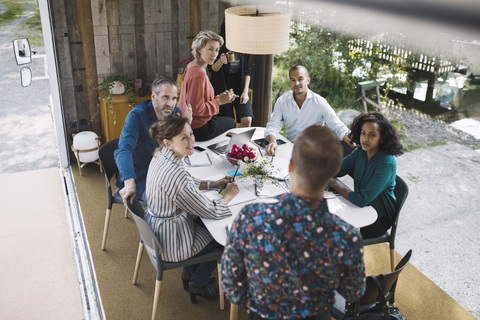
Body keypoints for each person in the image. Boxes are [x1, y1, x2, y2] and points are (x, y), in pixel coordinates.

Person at [221, 125, 366, 320]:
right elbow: (353, 292)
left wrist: (257, 305)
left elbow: (230, 283)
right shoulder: (347, 236)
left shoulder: (250, 217)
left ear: (291, 166)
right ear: (333, 172)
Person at [145, 114, 239, 302]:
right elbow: (210, 210)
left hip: (158, 228)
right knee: (222, 239)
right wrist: (229, 194)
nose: (191, 141)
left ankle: (190, 272)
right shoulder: (174, 173)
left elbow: (187, 181)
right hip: (171, 240)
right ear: (168, 142)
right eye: (184, 138)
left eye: (191, 134)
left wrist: (214, 183)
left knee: (205, 225)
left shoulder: (162, 154)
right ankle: (199, 281)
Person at [114, 76, 192, 205]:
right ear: (153, 96)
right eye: (165, 97)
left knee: (193, 192)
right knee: (178, 202)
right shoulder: (136, 115)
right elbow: (123, 149)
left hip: (165, 172)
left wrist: (185, 126)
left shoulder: (175, 112)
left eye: (174, 98)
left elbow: (176, 146)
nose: (170, 104)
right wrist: (129, 181)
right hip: (141, 176)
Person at [327, 112, 403, 239]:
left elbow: (362, 199)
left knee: (330, 232)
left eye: (372, 135)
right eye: (363, 133)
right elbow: (337, 170)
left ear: (382, 138)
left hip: (377, 219)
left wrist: (333, 184)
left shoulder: (386, 162)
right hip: (358, 208)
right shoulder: (361, 152)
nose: (365, 139)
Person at [264, 65, 353, 156]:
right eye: (293, 80)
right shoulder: (282, 101)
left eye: (300, 79)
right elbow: (273, 126)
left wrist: (356, 145)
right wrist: (272, 142)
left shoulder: (320, 102)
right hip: (291, 149)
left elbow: (338, 127)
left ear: (308, 80)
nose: (296, 83)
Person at [177, 30, 236, 141]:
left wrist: (219, 97)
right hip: (198, 128)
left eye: (217, 50)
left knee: (226, 120)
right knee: (231, 122)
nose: (214, 54)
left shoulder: (192, 65)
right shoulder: (198, 74)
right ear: (199, 49)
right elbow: (196, 109)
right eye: (210, 49)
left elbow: (196, 100)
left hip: (190, 122)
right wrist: (219, 102)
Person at [207, 22, 253, 127]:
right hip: (222, 86)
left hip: (239, 84)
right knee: (229, 122)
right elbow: (212, 69)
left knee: (247, 120)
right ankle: (230, 143)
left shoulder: (245, 45)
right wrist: (220, 61)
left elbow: (247, 71)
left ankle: (238, 143)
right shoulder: (219, 44)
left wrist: (245, 92)